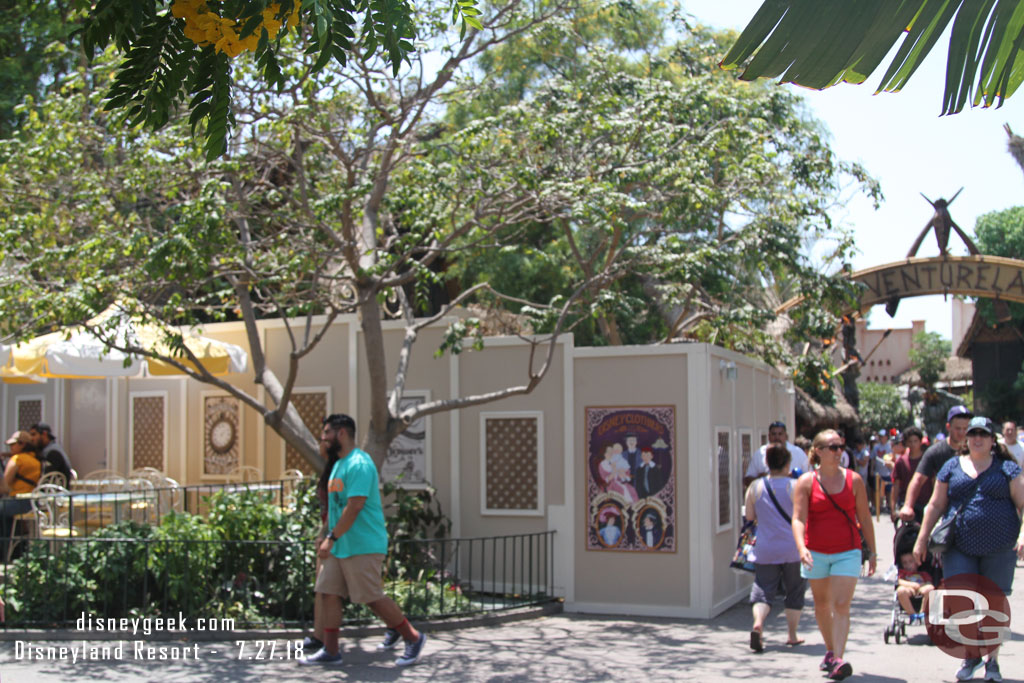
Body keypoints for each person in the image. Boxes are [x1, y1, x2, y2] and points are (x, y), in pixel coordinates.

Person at [301, 414, 426, 667]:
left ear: (342, 433)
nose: (323, 438)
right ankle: (331, 651)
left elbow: (355, 506)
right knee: (327, 592)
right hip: (340, 545)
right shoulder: (338, 464)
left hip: (362, 544)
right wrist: (331, 539)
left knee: (372, 597)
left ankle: (413, 637)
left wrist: (331, 537)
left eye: (327, 433)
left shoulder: (359, 463)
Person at [913, 416, 1024, 683]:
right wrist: (921, 537)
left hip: (999, 547)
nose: (977, 438)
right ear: (966, 438)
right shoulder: (952, 466)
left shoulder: (1008, 468)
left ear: (991, 440)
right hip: (959, 545)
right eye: (973, 434)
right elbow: (935, 505)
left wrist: (1023, 535)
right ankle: (971, 653)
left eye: (983, 434)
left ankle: (992, 661)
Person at [792, 429, 876, 681]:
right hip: (815, 551)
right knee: (821, 605)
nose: (839, 451)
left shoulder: (854, 480)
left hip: (848, 550)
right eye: (833, 447)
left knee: (841, 605)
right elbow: (798, 519)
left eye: (841, 446)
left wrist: (871, 551)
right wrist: (801, 547)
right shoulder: (806, 482)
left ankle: (838, 658)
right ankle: (830, 650)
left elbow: (864, 517)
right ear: (818, 451)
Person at [743, 444, 807, 653]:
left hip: (765, 547)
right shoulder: (796, 486)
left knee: (763, 591)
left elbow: (750, 517)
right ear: (788, 464)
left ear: (767, 464)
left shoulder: (755, 487)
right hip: (793, 548)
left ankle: (758, 623)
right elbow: (805, 515)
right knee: (794, 591)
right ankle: (792, 635)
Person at [300, 437, 343, 655]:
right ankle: (320, 638)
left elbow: (341, 507)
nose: (320, 443)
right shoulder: (329, 469)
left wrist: (327, 535)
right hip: (328, 536)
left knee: (369, 593)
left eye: (324, 439)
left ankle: (397, 626)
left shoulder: (340, 469)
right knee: (323, 589)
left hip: (337, 537)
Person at [899, 406, 972, 522]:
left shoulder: (977, 451)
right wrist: (908, 506)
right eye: (958, 428)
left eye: (966, 428)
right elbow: (918, 479)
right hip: (944, 512)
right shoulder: (936, 452)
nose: (962, 433)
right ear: (948, 427)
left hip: (971, 510)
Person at [0, 431, 41, 558]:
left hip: (17, 502)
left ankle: (4, 552)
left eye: (13, 445)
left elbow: (4, 487)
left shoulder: (17, 459)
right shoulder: (36, 460)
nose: (11, 448)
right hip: (32, 503)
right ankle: (16, 551)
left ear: (22, 444)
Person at [744, 421, 809, 488]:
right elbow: (747, 480)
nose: (777, 437)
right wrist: (761, 478)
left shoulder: (798, 453)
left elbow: (809, 478)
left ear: (786, 436)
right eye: (773, 434)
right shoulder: (760, 454)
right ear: (769, 436)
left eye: (780, 434)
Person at [891, 427, 926, 523]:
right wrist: (893, 508)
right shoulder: (901, 461)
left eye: (915, 441)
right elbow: (896, 485)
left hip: (925, 504)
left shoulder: (927, 459)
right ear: (906, 443)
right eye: (910, 441)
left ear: (920, 441)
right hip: (906, 505)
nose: (913, 444)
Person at [895, 551, 934, 622]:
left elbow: (929, 582)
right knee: (900, 590)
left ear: (916, 562)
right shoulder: (903, 573)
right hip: (908, 589)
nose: (908, 565)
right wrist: (912, 585)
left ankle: (923, 613)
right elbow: (899, 581)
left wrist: (922, 585)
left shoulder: (923, 573)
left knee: (930, 588)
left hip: (921, 589)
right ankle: (912, 615)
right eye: (904, 563)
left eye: (911, 562)